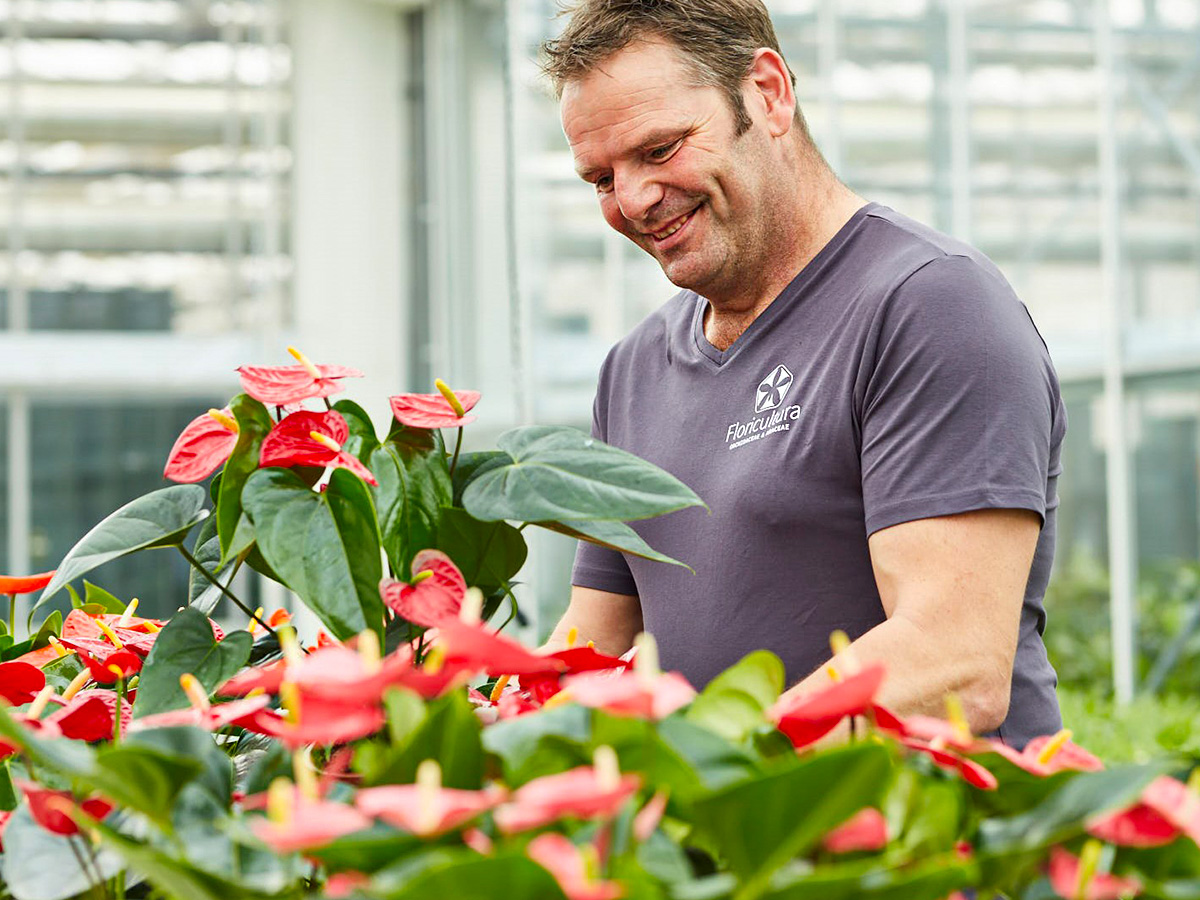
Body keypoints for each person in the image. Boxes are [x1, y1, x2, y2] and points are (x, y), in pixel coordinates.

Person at [539, 0, 1064, 748]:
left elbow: (953, 663)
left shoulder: (928, 305)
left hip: (926, 849)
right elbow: (592, 644)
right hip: (737, 852)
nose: (631, 200)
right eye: (600, 177)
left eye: (659, 150)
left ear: (768, 93)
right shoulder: (632, 372)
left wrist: (714, 769)